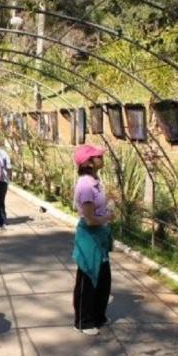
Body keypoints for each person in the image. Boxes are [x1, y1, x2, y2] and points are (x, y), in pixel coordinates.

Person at [71, 144, 113, 336]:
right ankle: (83, 321)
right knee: (88, 279)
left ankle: (98, 315)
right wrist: (107, 218)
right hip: (90, 236)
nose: (101, 158)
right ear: (88, 163)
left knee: (103, 278)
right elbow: (89, 218)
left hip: (99, 236)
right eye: (98, 156)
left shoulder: (94, 180)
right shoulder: (86, 185)